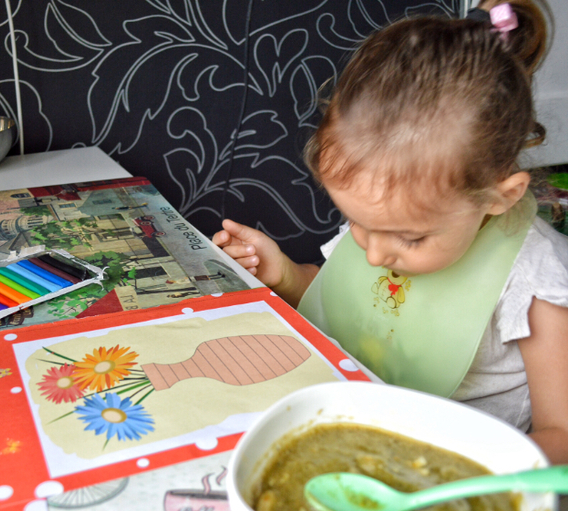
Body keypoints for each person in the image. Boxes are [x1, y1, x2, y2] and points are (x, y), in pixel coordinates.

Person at [214, 0, 568, 464]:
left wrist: (459, 473)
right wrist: (286, 276)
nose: (375, 255)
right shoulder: (386, 219)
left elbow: (561, 435)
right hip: (356, 432)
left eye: (410, 239)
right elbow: (347, 305)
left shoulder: (535, 283)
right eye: (358, 223)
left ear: (499, 197)